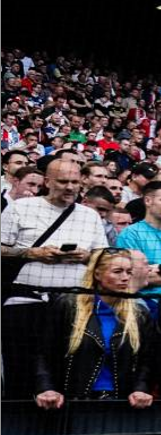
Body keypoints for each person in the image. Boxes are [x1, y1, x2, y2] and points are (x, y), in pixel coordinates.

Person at [1, 157, 108, 398]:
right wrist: (32, 252)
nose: (69, 187)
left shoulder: (89, 216)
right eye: (62, 181)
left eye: (74, 181)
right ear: (47, 182)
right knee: (21, 369)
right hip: (26, 301)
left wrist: (87, 256)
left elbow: (103, 254)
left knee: (67, 369)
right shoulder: (21, 207)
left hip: (74, 302)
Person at [33, 248, 155, 409]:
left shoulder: (139, 314)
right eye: (117, 272)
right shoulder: (68, 305)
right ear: (97, 274)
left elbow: (146, 360)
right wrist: (46, 388)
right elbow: (45, 353)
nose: (125, 278)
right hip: (72, 400)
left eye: (129, 272)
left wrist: (141, 389)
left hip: (123, 403)